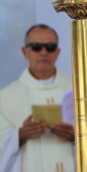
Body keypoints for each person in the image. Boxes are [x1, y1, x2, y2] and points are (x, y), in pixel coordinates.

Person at [0, 24, 75, 172]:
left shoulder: (78, 90)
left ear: (58, 52)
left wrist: (75, 135)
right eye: (36, 47)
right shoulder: (5, 97)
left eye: (50, 47)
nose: (44, 52)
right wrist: (19, 135)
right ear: (25, 51)